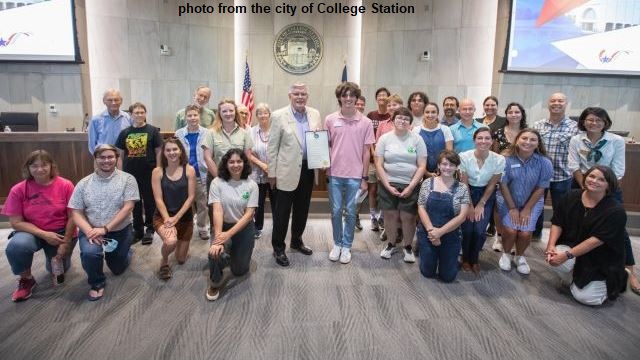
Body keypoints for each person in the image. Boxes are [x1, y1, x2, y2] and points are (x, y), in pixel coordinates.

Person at [567, 107, 640, 295]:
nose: (594, 123)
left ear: (606, 122)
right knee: (579, 225)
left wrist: (601, 189)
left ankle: (629, 271)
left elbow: (618, 169)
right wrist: (587, 187)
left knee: (617, 230)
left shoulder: (615, 141)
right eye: (590, 119)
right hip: (582, 186)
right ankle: (578, 262)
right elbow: (574, 165)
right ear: (583, 121)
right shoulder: (577, 139)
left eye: (599, 120)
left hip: (609, 190)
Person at [546, 165, 628, 306]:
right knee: (554, 256)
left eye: (601, 179)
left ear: (609, 185)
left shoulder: (615, 211)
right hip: (574, 247)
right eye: (591, 176)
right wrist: (551, 246)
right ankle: (576, 276)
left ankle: (615, 278)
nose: (594, 181)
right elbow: (557, 222)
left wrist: (566, 256)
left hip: (601, 258)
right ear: (585, 178)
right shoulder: (571, 196)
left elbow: (595, 241)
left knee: (586, 298)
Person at [2, 150, 76, 302]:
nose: (39, 169)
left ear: (51, 166)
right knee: (17, 246)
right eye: (34, 166)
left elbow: (73, 217)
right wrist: (43, 234)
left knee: (56, 270)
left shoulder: (66, 185)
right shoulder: (18, 189)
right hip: (32, 232)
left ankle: (55, 259)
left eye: (44, 165)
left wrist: (66, 242)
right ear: (28, 168)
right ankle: (26, 280)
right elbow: (15, 222)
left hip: (60, 233)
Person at [69, 144, 139, 301]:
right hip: (91, 230)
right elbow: (76, 212)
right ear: (95, 159)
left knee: (117, 268)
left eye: (110, 157)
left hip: (119, 230)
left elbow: (128, 207)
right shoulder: (83, 183)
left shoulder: (127, 179)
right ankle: (97, 283)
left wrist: (105, 229)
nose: (106, 160)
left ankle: (126, 252)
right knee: (90, 254)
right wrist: (90, 231)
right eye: (102, 157)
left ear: (116, 158)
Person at [267, 83, 322, 267]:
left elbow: (318, 140)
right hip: (285, 172)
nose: (300, 97)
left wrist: (322, 159)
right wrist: (272, 174)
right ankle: (278, 247)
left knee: (302, 210)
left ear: (308, 96)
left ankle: (296, 240)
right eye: (296, 94)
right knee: (281, 213)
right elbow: (272, 147)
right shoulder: (278, 115)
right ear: (289, 95)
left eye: (303, 94)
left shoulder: (314, 114)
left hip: (307, 170)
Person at [325, 82, 375, 264]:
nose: (348, 99)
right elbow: (325, 146)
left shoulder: (366, 122)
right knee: (336, 211)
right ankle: (337, 244)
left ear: (357, 98)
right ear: (339, 98)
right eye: (344, 95)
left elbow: (366, 152)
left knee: (351, 212)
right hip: (334, 174)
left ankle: (347, 246)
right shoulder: (330, 119)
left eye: (351, 96)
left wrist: (363, 178)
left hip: (355, 176)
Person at [496, 129, 553, 274]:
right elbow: (503, 185)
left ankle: (520, 257)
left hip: (532, 202)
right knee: (510, 230)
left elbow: (542, 187)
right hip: (508, 199)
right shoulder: (506, 159)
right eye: (524, 138)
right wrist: (513, 208)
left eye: (532, 139)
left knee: (525, 233)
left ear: (538, 143)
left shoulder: (545, 162)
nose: (528, 142)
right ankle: (506, 254)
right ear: (517, 140)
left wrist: (527, 209)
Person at [206, 149, 258, 301]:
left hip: (244, 229)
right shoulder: (217, 183)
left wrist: (228, 236)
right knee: (214, 251)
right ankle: (215, 282)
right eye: (232, 162)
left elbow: (248, 215)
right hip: (223, 226)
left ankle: (231, 256)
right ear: (226, 164)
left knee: (239, 271)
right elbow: (217, 210)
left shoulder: (252, 185)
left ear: (244, 163)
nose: (236, 165)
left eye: (239, 161)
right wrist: (218, 237)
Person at [376, 107, 427, 263]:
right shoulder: (385, 138)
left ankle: (407, 247)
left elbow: (422, 165)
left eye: (406, 119)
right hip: (387, 182)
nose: (402, 121)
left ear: (410, 123)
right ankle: (391, 244)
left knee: (408, 217)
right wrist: (387, 185)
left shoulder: (417, 139)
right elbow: (379, 164)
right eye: (399, 118)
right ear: (393, 120)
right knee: (390, 215)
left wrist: (411, 186)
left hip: (410, 184)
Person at [203, 99, 254, 239]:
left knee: (238, 212)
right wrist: (220, 178)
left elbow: (247, 158)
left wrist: (236, 179)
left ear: (235, 112)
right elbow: (207, 157)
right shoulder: (211, 133)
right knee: (216, 214)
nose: (228, 113)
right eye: (224, 111)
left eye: (231, 110)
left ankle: (238, 242)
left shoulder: (244, 133)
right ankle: (217, 245)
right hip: (216, 180)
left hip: (239, 181)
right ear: (219, 113)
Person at [416, 150, 470, 282]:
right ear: (439, 165)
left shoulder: (462, 188)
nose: (447, 168)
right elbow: (421, 207)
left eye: (451, 165)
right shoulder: (427, 183)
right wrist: (431, 232)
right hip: (428, 232)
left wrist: (440, 232)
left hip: (450, 234)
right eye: (444, 164)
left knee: (448, 277)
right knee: (427, 272)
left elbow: (462, 216)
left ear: (457, 167)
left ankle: (449, 261)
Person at [459, 127, 505, 273]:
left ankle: (474, 258)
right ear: (474, 140)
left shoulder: (499, 159)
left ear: (492, 141)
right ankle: (465, 258)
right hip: (467, 193)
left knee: (479, 230)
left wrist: (481, 204)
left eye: (487, 138)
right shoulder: (464, 156)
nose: (483, 141)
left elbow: (492, 184)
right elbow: (464, 182)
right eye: (480, 138)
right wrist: (470, 204)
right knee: (467, 229)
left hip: (486, 194)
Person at [115, 102, 162, 244]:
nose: (140, 115)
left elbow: (159, 151)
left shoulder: (153, 131)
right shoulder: (125, 133)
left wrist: (158, 168)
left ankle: (150, 229)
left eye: (142, 112)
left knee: (149, 201)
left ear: (145, 114)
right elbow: (120, 154)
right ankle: (138, 230)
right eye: (136, 112)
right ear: (131, 115)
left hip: (149, 172)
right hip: (130, 173)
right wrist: (120, 172)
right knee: (133, 202)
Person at [532, 92, 578, 238]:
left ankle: (559, 238)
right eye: (553, 100)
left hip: (562, 176)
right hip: (540, 175)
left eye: (560, 101)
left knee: (561, 209)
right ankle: (535, 233)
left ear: (566, 104)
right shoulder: (538, 125)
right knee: (536, 206)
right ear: (548, 103)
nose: (556, 103)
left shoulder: (575, 127)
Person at [151, 138, 196, 280]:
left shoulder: (189, 170)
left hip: (184, 217)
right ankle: (164, 260)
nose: (172, 152)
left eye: (175, 149)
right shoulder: (157, 172)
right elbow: (158, 199)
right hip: (163, 216)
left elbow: (191, 198)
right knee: (170, 242)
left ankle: (177, 242)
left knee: (181, 259)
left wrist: (176, 218)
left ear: (181, 151)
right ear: (163, 153)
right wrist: (167, 219)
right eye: (168, 150)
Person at [490, 102, 528, 251]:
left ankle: (512, 238)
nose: (513, 115)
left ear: (522, 114)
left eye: (517, 112)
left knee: (518, 204)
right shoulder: (498, 132)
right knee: (499, 206)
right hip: (503, 174)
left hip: (522, 176)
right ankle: (499, 237)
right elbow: (494, 154)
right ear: (506, 115)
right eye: (510, 112)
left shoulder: (527, 132)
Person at [174, 104, 212, 240]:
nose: (192, 118)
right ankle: (186, 227)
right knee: (186, 203)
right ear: (185, 117)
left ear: (199, 117)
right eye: (189, 115)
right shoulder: (179, 134)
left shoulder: (207, 133)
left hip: (202, 173)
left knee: (203, 202)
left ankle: (202, 227)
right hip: (184, 174)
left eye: (195, 115)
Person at [248, 103, 276, 239]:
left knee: (277, 202)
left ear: (269, 115)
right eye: (260, 113)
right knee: (257, 203)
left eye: (265, 113)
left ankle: (278, 227)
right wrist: (263, 165)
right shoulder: (251, 131)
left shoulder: (276, 130)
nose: (263, 115)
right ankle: (257, 228)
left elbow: (281, 151)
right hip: (257, 173)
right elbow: (248, 153)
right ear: (256, 115)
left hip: (274, 174)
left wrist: (271, 168)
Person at [366, 87, 392, 231]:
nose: (382, 97)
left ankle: (382, 217)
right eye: (379, 95)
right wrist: (375, 156)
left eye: (384, 96)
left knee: (384, 190)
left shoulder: (392, 116)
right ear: (376, 99)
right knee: (373, 189)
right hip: (372, 159)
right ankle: (372, 217)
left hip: (387, 162)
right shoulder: (371, 115)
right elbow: (369, 139)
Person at [413, 102, 454, 177]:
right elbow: (414, 154)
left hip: (443, 172)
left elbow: (449, 154)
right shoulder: (416, 130)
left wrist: (441, 171)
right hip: (420, 173)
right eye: (427, 112)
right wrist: (426, 173)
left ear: (438, 114)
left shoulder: (445, 129)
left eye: (433, 112)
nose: (430, 115)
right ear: (423, 114)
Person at [87, 89, 132, 155]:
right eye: (110, 100)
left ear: (121, 101)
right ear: (104, 101)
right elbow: (92, 144)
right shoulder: (95, 120)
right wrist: (99, 158)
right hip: (104, 160)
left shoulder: (128, 118)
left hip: (123, 159)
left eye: (116, 100)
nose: (113, 103)